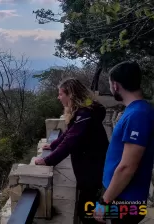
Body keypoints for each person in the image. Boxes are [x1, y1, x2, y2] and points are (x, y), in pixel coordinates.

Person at [35, 78, 109, 224]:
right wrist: (54, 144)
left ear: (71, 95)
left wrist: (47, 160)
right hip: (94, 165)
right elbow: (71, 131)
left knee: (86, 210)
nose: (58, 97)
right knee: (89, 205)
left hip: (92, 167)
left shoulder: (84, 114)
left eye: (61, 94)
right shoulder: (86, 109)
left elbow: (71, 141)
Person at [94, 61, 154, 224]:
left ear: (115, 85)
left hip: (125, 199)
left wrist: (104, 202)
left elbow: (127, 167)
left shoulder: (138, 115)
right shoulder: (136, 110)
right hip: (121, 195)